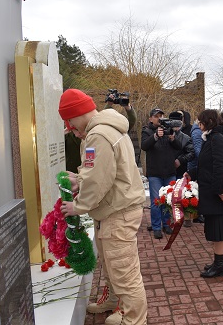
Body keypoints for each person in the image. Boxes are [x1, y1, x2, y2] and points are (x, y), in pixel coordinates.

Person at [58, 89, 147, 325]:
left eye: (69, 121)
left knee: (124, 272)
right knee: (110, 265)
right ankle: (113, 302)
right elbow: (101, 172)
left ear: (76, 115)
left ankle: (135, 320)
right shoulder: (103, 131)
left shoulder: (98, 135)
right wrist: (80, 179)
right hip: (113, 210)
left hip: (117, 212)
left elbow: (98, 181)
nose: (70, 128)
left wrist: (78, 206)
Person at [185, 109, 223, 277]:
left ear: (208, 122)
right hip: (213, 192)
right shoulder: (211, 138)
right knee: (214, 228)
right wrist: (192, 173)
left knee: (219, 229)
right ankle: (219, 261)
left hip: (218, 194)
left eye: (200, 122)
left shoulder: (217, 139)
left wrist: (220, 190)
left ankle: (221, 265)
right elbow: (207, 164)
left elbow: (221, 166)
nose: (198, 126)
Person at [141, 108, 187, 239]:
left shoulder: (169, 130)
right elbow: (144, 146)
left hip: (169, 172)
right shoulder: (147, 130)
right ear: (150, 118)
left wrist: (172, 138)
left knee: (168, 201)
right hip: (155, 173)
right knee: (156, 201)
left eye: (161, 116)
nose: (159, 118)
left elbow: (179, 146)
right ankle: (156, 227)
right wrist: (155, 136)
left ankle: (166, 225)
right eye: (156, 116)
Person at [168, 111, 195, 179]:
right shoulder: (163, 136)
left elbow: (192, 152)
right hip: (165, 171)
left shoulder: (186, 138)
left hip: (181, 171)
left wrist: (180, 160)